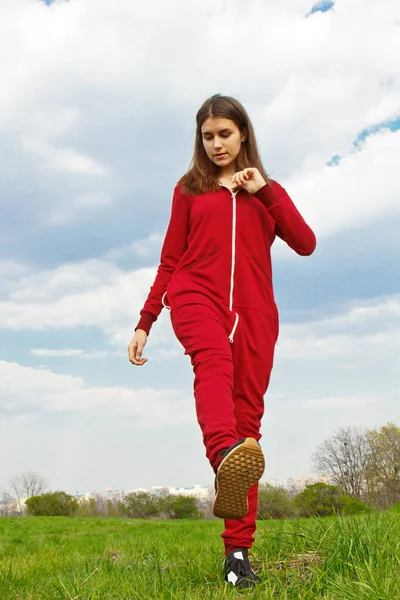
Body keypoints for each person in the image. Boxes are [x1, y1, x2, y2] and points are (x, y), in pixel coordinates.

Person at [128, 94, 316, 588]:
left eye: (225, 134)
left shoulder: (265, 192)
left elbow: (305, 242)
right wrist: (146, 319)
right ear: (200, 139)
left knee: (247, 425)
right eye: (208, 136)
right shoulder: (188, 190)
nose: (216, 144)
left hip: (254, 315)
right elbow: (170, 259)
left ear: (244, 135)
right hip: (194, 296)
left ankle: (237, 558)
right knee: (210, 363)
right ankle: (221, 458)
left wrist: (265, 190)